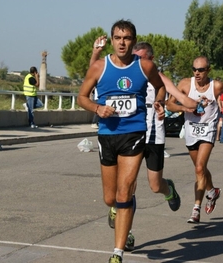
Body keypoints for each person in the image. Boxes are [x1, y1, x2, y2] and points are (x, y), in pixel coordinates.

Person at [77, 19, 180, 263]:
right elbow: (82, 97)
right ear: (112, 40)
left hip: (134, 134)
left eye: (127, 38)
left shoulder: (144, 66)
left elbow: (160, 87)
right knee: (110, 198)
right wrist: (97, 108)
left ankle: (117, 253)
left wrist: (158, 102)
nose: (122, 42)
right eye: (118, 38)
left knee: (125, 193)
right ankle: (121, 214)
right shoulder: (99, 67)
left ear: (133, 41)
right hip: (107, 136)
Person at [166, 56, 223, 224]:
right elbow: (169, 104)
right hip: (191, 130)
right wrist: (184, 107)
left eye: (201, 70)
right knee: (201, 169)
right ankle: (212, 191)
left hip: (208, 130)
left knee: (199, 168)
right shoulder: (185, 84)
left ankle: (196, 209)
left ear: (208, 70)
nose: (197, 73)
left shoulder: (217, 86)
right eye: (194, 69)